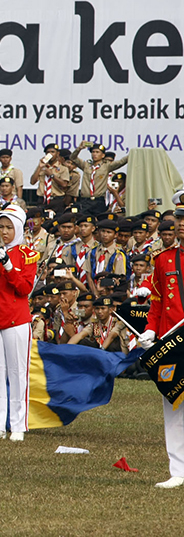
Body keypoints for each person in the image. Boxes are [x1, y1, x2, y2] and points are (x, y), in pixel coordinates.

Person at [138, 189, 184, 489]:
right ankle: (178, 470)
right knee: (174, 406)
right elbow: (156, 301)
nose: (180, 223)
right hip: (172, 340)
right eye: (178, 217)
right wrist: (150, 329)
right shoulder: (164, 259)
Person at [0, 206, 37, 442]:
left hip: (16, 319)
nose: (4, 232)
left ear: (19, 229)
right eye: (1, 227)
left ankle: (17, 425)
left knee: (18, 373)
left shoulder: (27, 254)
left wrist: (7, 266)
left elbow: (25, 288)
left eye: (9, 227)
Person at [70, 142, 129, 216]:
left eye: (97, 152)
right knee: (85, 220)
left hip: (99, 200)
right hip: (85, 200)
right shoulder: (86, 165)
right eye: (93, 152)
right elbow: (73, 158)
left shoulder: (106, 166)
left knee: (99, 220)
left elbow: (121, 162)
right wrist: (79, 148)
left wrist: (133, 154)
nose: (94, 154)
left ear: (103, 155)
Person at [30, 144, 70, 213]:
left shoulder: (63, 168)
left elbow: (64, 184)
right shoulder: (42, 167)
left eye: (53, 152)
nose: (50, 154)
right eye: (48, 152)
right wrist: (39, 167)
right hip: (42, 199)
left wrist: (52, 175)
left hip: (56, 200)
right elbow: (32, 182)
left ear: (57, 154)